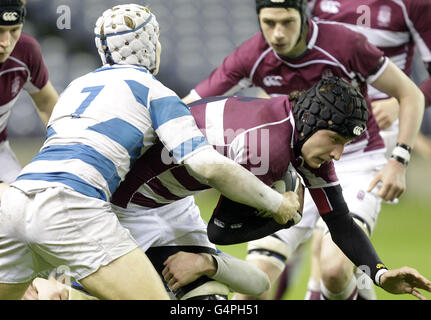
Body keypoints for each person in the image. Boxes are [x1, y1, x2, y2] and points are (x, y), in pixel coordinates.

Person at [0, 4, 298, 300]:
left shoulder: (75, 88)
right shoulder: (154, 91)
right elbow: (207, 165)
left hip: (16, 199)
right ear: (150, 45)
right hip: (70, 201)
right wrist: (276, 204)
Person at [182, 0, 425, 300]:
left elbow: (410, 92)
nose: (278, 34)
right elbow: (186, 105)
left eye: (286, 22)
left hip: (355, 162)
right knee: (253, 287)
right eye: (269, 23)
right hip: (289, 163)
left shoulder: (345, 43)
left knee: (334, 270)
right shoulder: (252, 55)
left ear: (304, 15)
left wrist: (398, 159)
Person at [299, 0, 431, 300]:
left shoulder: (413, 4)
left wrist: (400, 103)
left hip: (374, 138)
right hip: (323, 133)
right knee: (325, 255)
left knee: (331, 254)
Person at [0, 0, 58, 192]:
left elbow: (46, 102)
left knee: (25, 206)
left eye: (14, 30)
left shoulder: (26, 51)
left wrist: (67, 148)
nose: (6, 43)